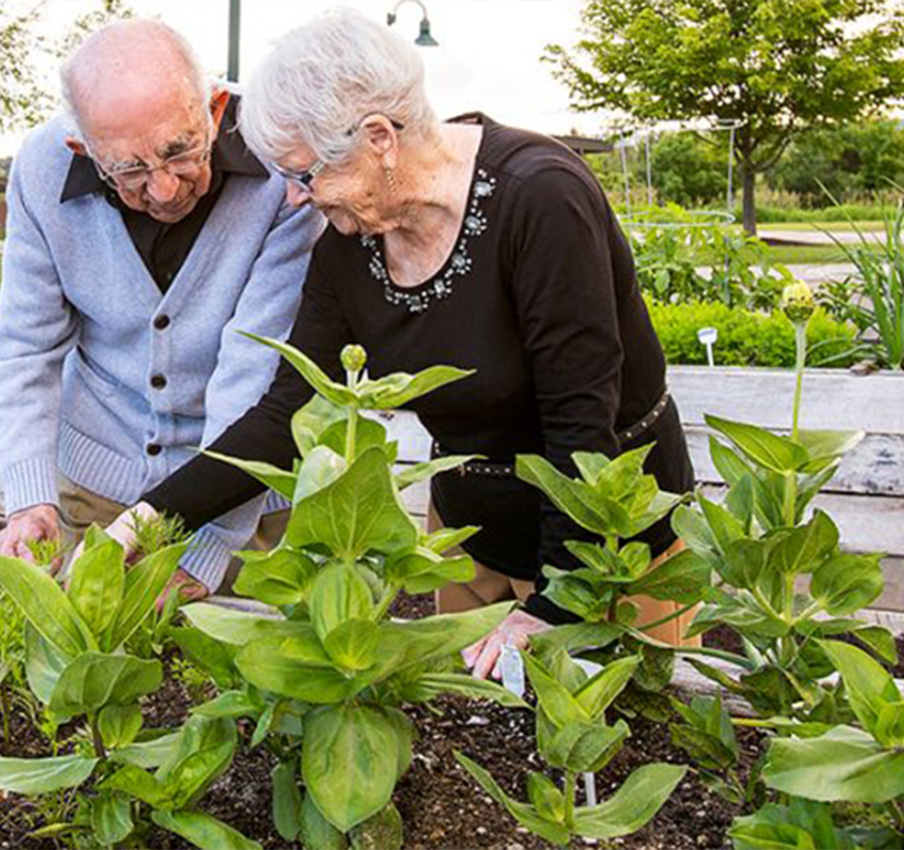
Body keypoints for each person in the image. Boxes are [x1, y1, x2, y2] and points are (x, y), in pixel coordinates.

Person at [105, 9, 697, 678]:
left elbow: (581, 418)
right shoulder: (348, 247)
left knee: (611, 745)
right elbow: (284, 418)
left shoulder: (540, 198)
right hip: (473, 536)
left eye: (304, 174)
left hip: (610, 545)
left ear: (379, 136)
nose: (297, 200)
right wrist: (146, 520)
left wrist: (558, 607)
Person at [0, 19, 323, 603]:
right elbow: (25, 347)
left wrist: (208, 546)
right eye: (130, 171)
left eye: (180, 152)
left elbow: (253, 373)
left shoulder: (282, 169)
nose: (165, 189)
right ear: (84, 152)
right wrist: (29, 500)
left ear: (214, 108)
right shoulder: (42, 170)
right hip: (97, 481)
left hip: (239, 500)